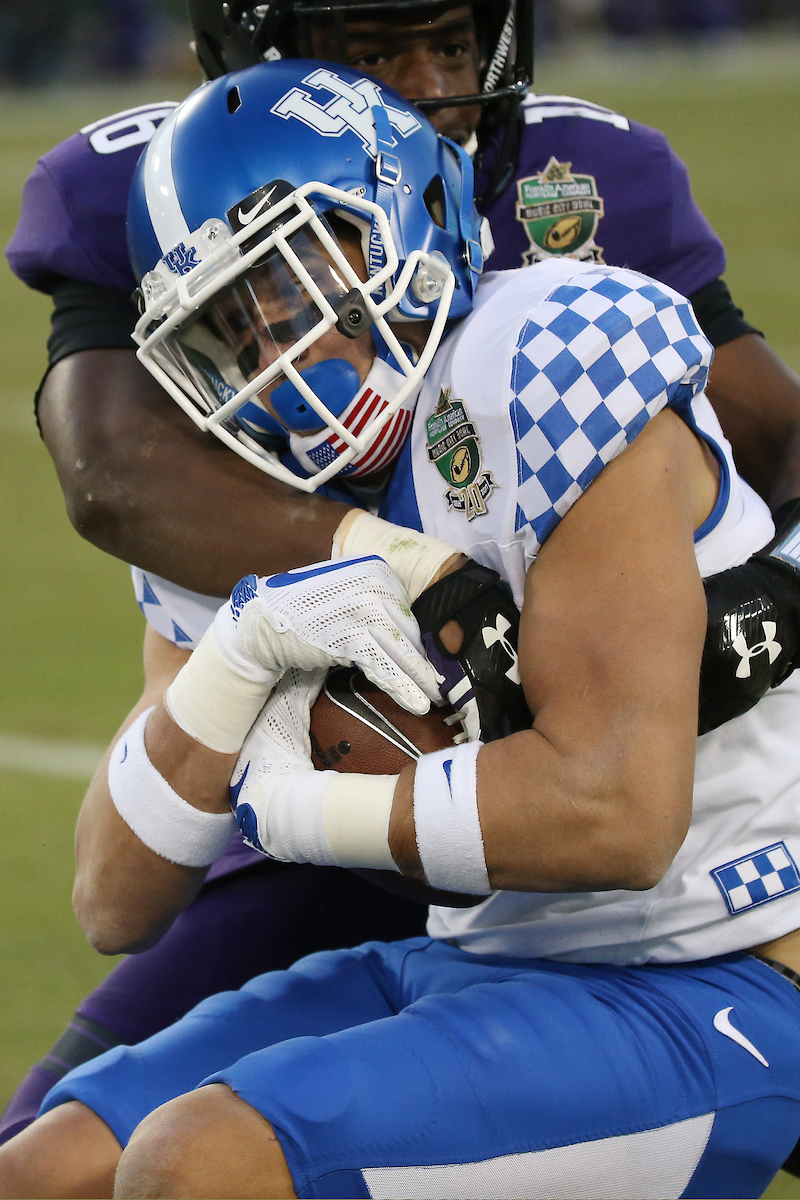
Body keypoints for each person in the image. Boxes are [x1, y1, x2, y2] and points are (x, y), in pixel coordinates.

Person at [6, 0, 800, 1159]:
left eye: (302, 279)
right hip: (473, 931)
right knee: (47, 1168)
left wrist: (771, 600)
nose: (277, 347)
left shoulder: (544, 348)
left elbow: (614, 814)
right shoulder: (221, 474)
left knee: (203, 1160)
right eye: (235, 319)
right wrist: (248, 648)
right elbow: (109, 901)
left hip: (703, 928)